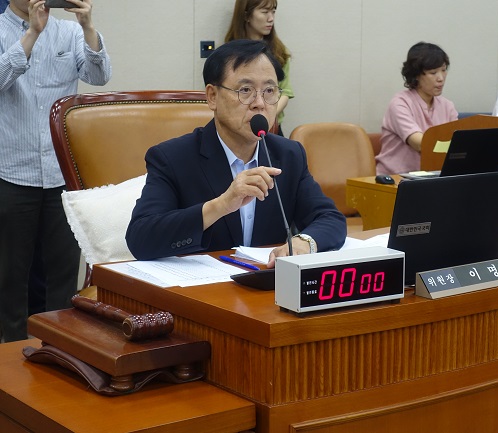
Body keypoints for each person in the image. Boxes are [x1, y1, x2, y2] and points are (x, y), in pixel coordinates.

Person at [126, 39, 346, 266]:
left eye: (269, 91)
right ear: (212, 96)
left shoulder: (288, 155)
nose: (259, 103)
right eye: (245, 90)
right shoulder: (172, 158)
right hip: (203, 285)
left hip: (266, 283)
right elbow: (141, 239)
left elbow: (330, 219)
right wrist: (221, 205)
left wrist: (304, 242)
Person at [0, 0, 111, 343]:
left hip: (61, 173)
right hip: (11, 172)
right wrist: (32, 33)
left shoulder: (70, 31)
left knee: (63, 277)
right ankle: (11, 356)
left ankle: (60, 350)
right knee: (10, 277)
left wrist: (88, 26)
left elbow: (99, 76)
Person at [375, 42, 458, 175]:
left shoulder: (447, 106)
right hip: (397, 178)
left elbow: (458, 145)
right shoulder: (400, 103)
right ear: (416, 75)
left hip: (433, 176)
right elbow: (420, 144)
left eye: (443, 70)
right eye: (433, 73)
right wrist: (451, 146)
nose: (441, 78)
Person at [225, 0, 293, 136]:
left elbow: (285, 92)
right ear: (246, 15)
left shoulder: (279, 52)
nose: (271, 18)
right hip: (238, 128)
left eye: (273, 12)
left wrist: (266, 114)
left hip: (271, 127)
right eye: (265, 12)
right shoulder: (228, 54)